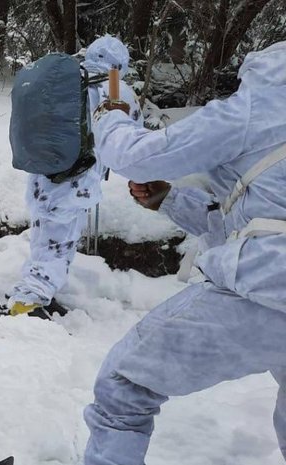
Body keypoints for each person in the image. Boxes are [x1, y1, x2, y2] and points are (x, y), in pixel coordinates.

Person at [83, 41, 286, 464]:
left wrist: (110, 114)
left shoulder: (258, 106)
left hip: (271, 292)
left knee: (123, 386)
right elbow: (262, 219)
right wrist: (171, 201)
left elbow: (133, 156)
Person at [0, 36, 143, 320]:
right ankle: (29, 299)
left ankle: (35, 290)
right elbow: (127, 138)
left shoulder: (71, 77)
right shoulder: (112, 85)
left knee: (45, 236)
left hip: (45, 173)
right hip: (75, 179)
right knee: (59, 241)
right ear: (120, 63)